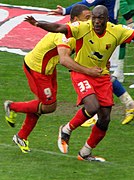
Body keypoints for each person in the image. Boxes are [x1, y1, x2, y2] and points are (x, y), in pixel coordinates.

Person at [25, 5, 134, 162]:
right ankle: (66, 130)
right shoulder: (83, 27)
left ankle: (85, 153)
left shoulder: (117, 31)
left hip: (101, 75)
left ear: (107, 20)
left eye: (100, 19)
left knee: (105, 117)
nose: (97, 22)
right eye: (94, 18)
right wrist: (38, 23)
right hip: (81, 72)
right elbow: (59, 28)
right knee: (92, 107)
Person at [4, 5, 102, 154]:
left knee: (42, 104)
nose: (91, 21)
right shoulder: (64, 34)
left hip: (48, 69)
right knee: (48, 106)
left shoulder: (80, 32)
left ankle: (21, 136)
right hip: (37, 69)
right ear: (75, 20)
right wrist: (88, 71)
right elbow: (64, 60)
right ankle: (12, 107)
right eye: (87, 18)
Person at [49, 0, 134, 126]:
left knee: (102, 74)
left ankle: (98, 113)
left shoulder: (88, 27)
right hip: (107, 34)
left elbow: (87, 2)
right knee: (104, 73)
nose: (88, 20)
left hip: (105, 38)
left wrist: (65, 10)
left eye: (89, 18)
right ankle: (129, 103)